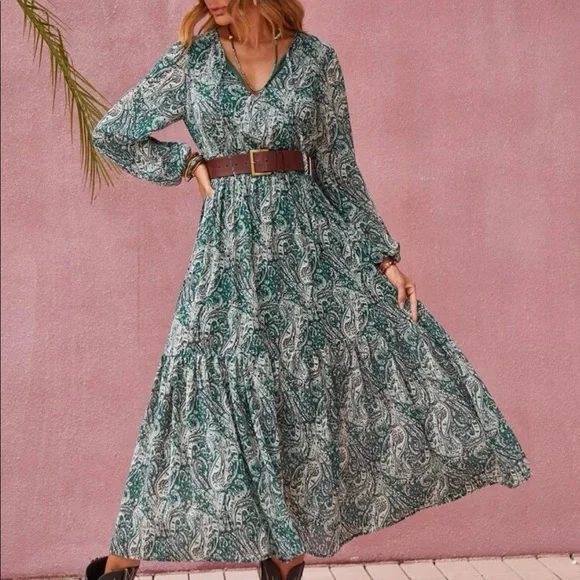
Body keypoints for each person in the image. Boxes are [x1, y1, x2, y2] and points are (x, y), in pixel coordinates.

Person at [85, 1, 532, 579]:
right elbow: (112, 132)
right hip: (227, 246)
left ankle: (285, 556)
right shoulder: (193, 60)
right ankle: (125, 556)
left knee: (299, 388)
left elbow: (339, 170)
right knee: (195, 383)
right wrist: (186, 164)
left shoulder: (316, 61)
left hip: (308, 248)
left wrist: (384, 259)